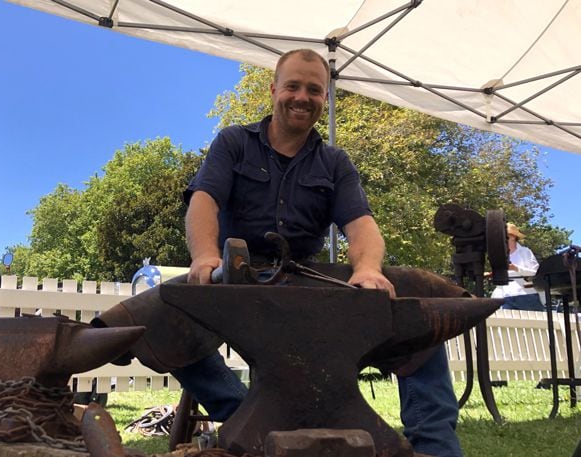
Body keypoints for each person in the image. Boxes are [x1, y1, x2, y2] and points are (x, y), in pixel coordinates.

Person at [179, 49, 462, 457]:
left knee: (420, 306)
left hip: (304, 280)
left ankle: (436, 449)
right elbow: (204, 200)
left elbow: (361, 223)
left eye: (314, 90)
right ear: (274, 89)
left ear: (325, 100)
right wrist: (205, 256)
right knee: (154, 315)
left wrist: (366, 268)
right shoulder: (234, 142)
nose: (302, 96)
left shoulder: (334, 162)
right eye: (292, 85)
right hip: (234, 280)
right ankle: (246, 413)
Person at [491, 223, 544, 311]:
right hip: (505, 296)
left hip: (526, 295)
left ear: (513, 237)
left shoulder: (525, 252)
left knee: (533, 324)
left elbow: (536, 272)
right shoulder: (500, 255)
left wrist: (516, 268)